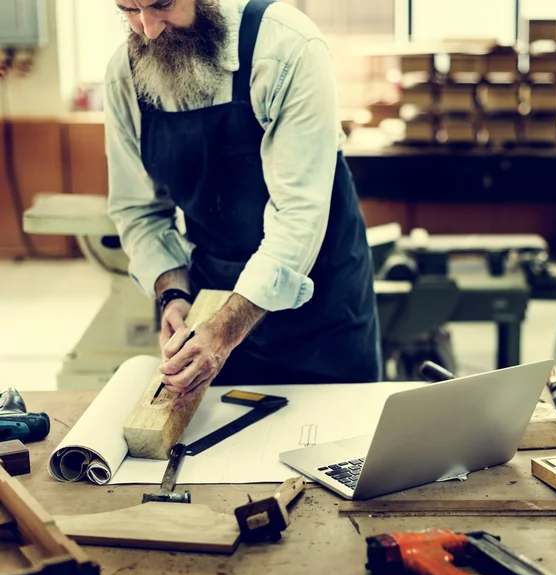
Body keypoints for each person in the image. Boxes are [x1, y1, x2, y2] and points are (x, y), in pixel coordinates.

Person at [105, 0, 381, 411]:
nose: (147, 29)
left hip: (322, 308)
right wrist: (174, 294)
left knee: (337, 442)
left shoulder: (287, 47)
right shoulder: (126, 75)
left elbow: (298, 215)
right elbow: (139, 212)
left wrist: (225, 329)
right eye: (129, 8)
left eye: (162, 4)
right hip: (213, 303)